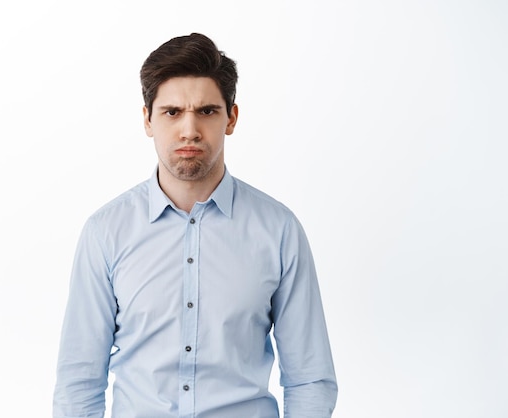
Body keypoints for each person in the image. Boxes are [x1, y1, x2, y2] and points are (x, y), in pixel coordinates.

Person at [53, 33, 337, 418]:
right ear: (147, 120)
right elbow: (80, 381)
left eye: (206, 111)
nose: (189, 130)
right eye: (172, 112)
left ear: (231, 118)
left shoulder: (278, 231)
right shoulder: (106, 232)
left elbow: (309, 378)